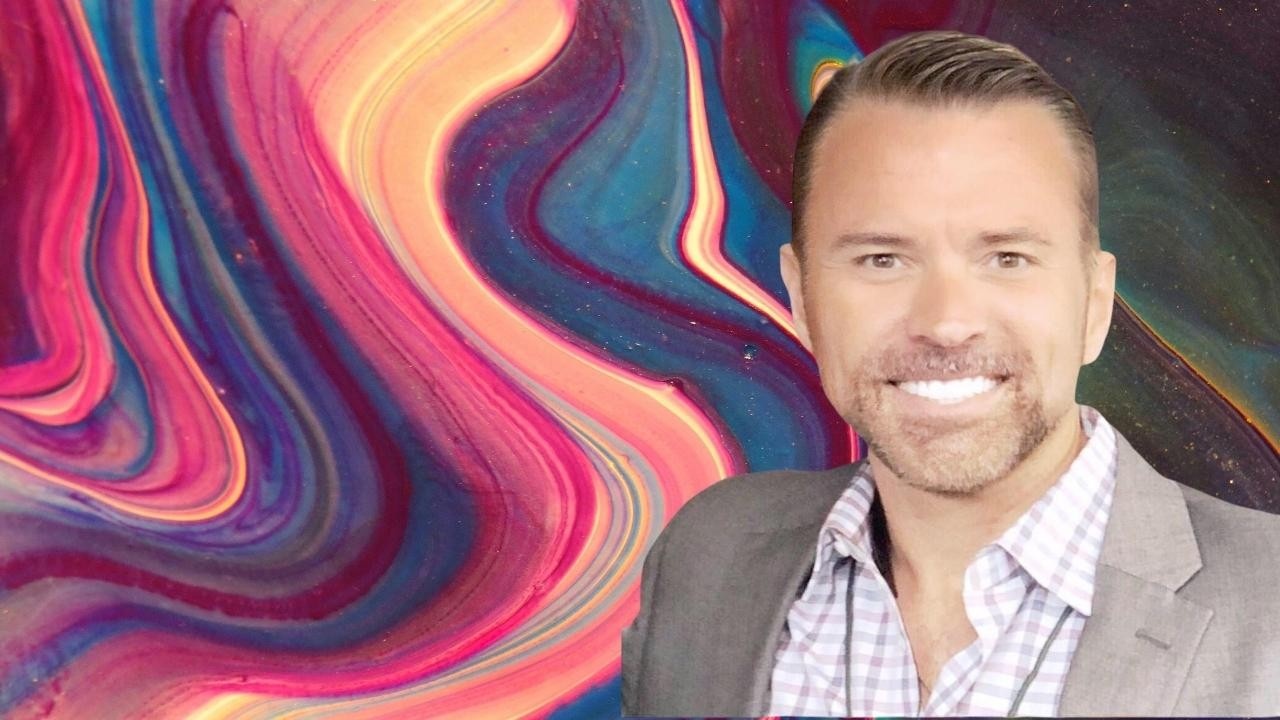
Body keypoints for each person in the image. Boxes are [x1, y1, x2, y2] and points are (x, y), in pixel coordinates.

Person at [621, 30, 1280, 717]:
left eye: (1006, 258)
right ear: (803, 299)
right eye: (882, 260)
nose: (945, 322)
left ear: (1093, 303)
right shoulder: (708, 556)